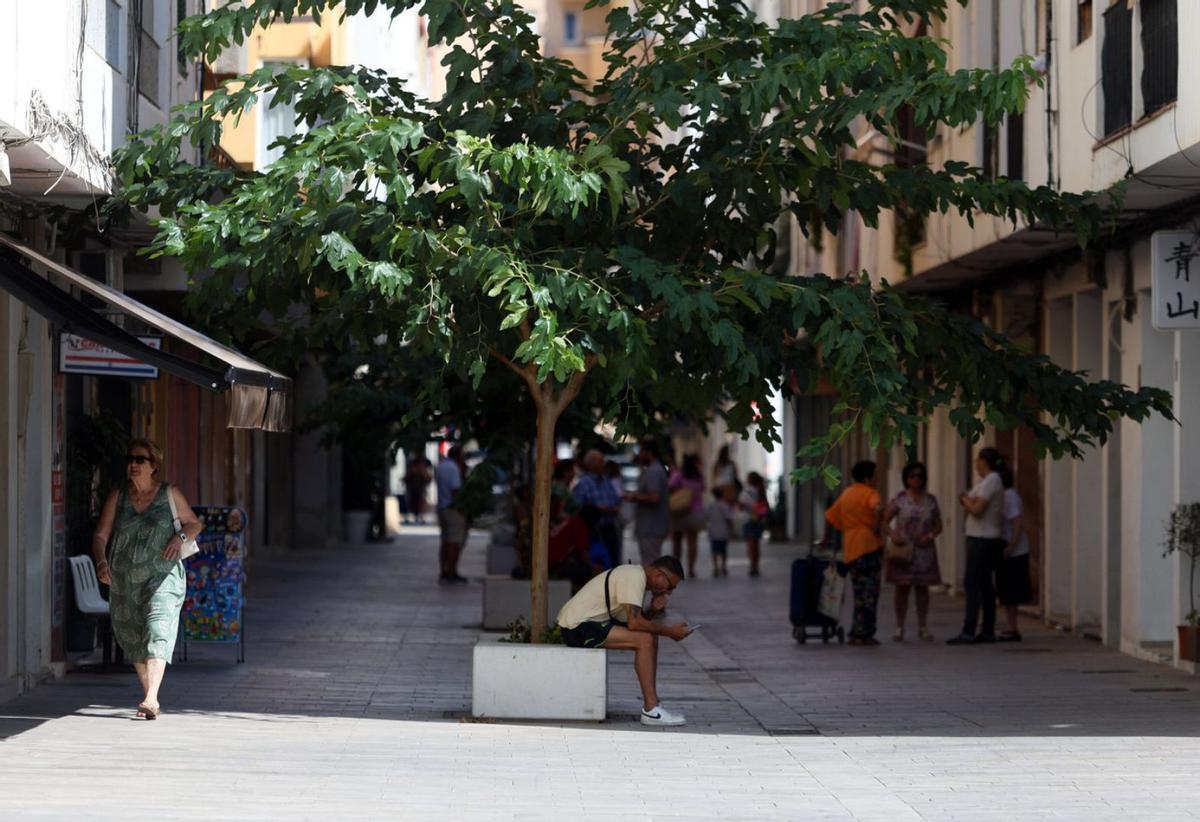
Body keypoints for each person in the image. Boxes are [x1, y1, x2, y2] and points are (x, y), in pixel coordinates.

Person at [91, 437, 202, 720]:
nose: (133, 464)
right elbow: (101, 535)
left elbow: (194, 524)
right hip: (124, 581)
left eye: (140, 460)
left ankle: (151, 698)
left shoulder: (169, 493)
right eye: (130, 459)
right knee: (135, 637)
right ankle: (150, 698)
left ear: (154, 465)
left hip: (163, 576)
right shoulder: (119, 495)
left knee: (157, 627)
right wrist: (101, 562)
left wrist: (179, 538)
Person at [556, 556, 693, 726]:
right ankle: (651, 709)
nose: (669, 592)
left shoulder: (635, 578)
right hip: (577, 627)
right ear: (659, 574)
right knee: (645, 639)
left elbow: (633, 623)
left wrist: (653, 611)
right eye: (670, 586)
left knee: (649, 637)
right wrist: (671, 632)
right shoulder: (634, 576)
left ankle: (654, 705)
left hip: (587, 625)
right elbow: (635, 624)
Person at [948, 447, 1007, 645]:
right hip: (981, 537)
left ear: (983, 461)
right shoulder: (986, 481)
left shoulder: (992, 480)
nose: (975, 465)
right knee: (984, 585)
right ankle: (987, 630)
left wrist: (964, 499)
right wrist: (968, 500)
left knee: (973, 584)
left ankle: (969, 630)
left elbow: (976, 509)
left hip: (983, 538)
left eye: (977, 461)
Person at [881, 461, 943, 642]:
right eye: (912, 476)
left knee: (922, 588)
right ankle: (899, 627)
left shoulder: (931, 500)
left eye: (920, 476)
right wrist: (893, 535)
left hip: (924, 551)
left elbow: (938, 524)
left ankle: (923, 627)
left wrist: (929, 536)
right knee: (902, 588)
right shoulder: (899, 499)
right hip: (904, 550)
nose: (916, 479)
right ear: (906, 479)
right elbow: (884, 521)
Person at [825, 461, 884, 646]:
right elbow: (877, 508)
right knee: (870, 593)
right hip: (868, 546)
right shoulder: (871, 493)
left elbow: (831, 516)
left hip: (851, 548)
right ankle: (865, 633)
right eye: (875, 475)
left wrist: (826, 539)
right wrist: (876, 527)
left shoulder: (847, 493)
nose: (878, 479)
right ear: (867, 478)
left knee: (859, 593)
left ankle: (857, 631)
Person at [997, 466, 1031, 642]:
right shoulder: (1005, 496)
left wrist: (1011, 546)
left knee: (1011, 590)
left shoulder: (1010, 496)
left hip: (1015, 551)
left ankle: (1012, 626)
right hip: (1010, 548)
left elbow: (1017, 523)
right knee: (1006, 589)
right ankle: (1010, 625)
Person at [572, 450, 622, 570]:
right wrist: (599, 510)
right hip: (594, 531)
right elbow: (579, 508)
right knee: (600, 564)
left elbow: (615, 500)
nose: (603, 464)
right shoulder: (583, 483)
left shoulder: (606, 481)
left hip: (609, 528)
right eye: (600, 461)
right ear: (591, 464)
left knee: (613, 562)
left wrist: (610, 509)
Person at [625, 439, 670, 564]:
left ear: (649, 453)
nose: (639, 455)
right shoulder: (654, 469)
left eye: (641, 452)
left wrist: (635, 497)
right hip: (651, 527)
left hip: (651, 527)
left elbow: (654, 497)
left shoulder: (654, 471)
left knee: (651, 564)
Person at [668, 453, 706, 578]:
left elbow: (670, 486)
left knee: (677, 541)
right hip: (695, 511)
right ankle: (691, 569)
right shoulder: (699, 477)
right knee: (692, 542)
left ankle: (676, 569)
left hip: (679, 511)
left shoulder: (679, 475)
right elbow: (702, 489)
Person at [435, 446, 469, 583]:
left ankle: (444, 571)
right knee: (454, 542)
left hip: (442, 507)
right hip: (453, 508)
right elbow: (455, 490)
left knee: (445, 541)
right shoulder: (454, 468)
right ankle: (451, 571)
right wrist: (461, 507)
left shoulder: (441, 466)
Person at [547, 494, 594, 592]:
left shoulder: (568, 522)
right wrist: (594, 569)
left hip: (550, 565)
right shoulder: (579, 525)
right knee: (588, 572)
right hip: (553, 568)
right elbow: (583, 553)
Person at [739, 472, 770, 577]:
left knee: (750, 545)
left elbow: (741, 505)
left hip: (748, 520)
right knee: (756, 545)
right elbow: (765, 507)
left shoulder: (746, 491)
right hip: (758, 520)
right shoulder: (761, 491)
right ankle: (756, 566)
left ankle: (752, 566)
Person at [705, 485, 735, 577]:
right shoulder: (725, 505)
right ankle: (723, 567)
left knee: (714, 551)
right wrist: (732, 528)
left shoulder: (710, 505)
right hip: (723, 531)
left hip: (713, 531)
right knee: (723, 550)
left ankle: (716, 568)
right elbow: (728, 518)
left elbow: (706, 517)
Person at [405, 456, 431, 524]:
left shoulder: (423, 470)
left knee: (421, 504)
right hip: (414, 490)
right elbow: (407, 479)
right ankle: (414, 517)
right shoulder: (413, 470)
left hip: (421, 490)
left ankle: (421, 517)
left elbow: (428, 479)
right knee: (413, 503)